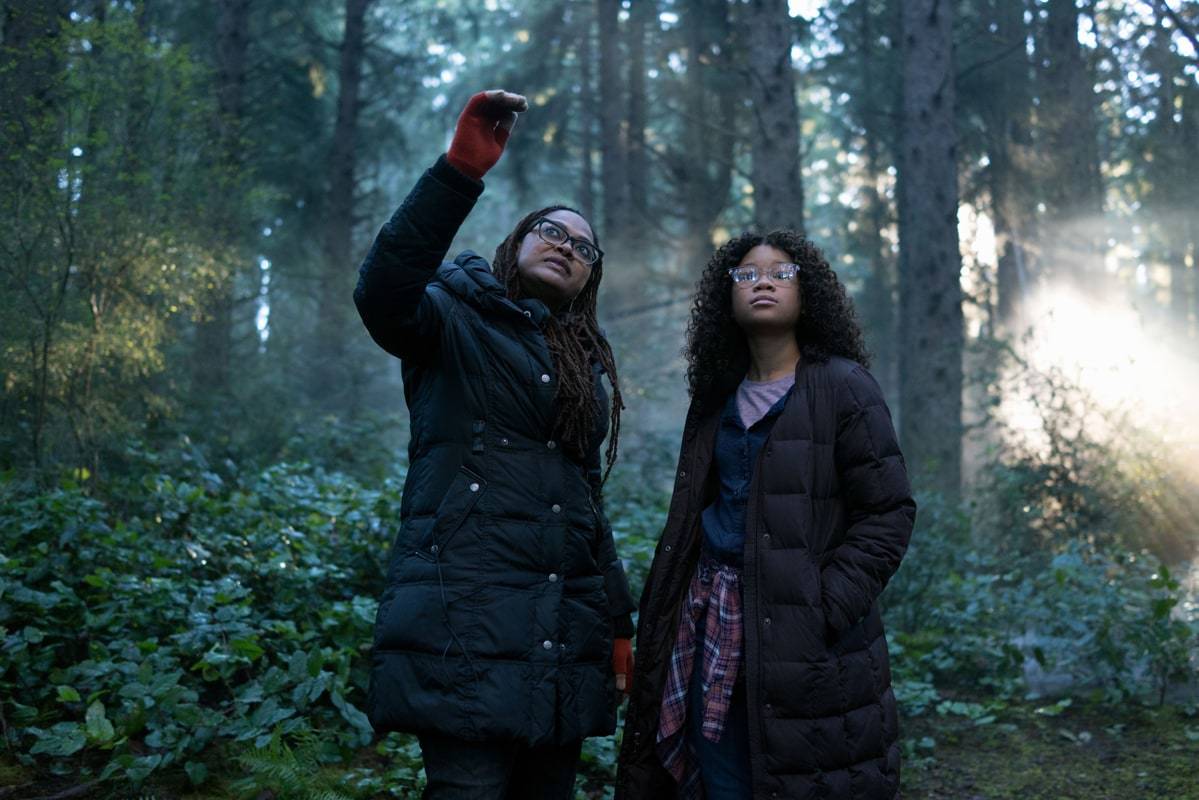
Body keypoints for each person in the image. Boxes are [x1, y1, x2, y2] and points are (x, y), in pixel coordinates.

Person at [353, 89, 636, 800]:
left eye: (582, 247)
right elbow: (381, 291)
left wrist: (615, 624)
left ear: (589, 278)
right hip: (463, 628)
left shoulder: (581, 367)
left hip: (561, 638)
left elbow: (582, 509)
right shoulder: (450, 315)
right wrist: (457, 173)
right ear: (516, 241)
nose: (565, 246)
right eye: (550, 231)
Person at [615, 231, 917, 800]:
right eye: (747, 275)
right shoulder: (715, 398)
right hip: (710, 621)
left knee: (806, 776)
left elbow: (888, 512)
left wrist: (823, 606)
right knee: (720, 774)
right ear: (726, 298)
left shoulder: (843, 387)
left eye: (781, 273)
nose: (763, 282)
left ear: (809, 294)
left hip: (807, 635)